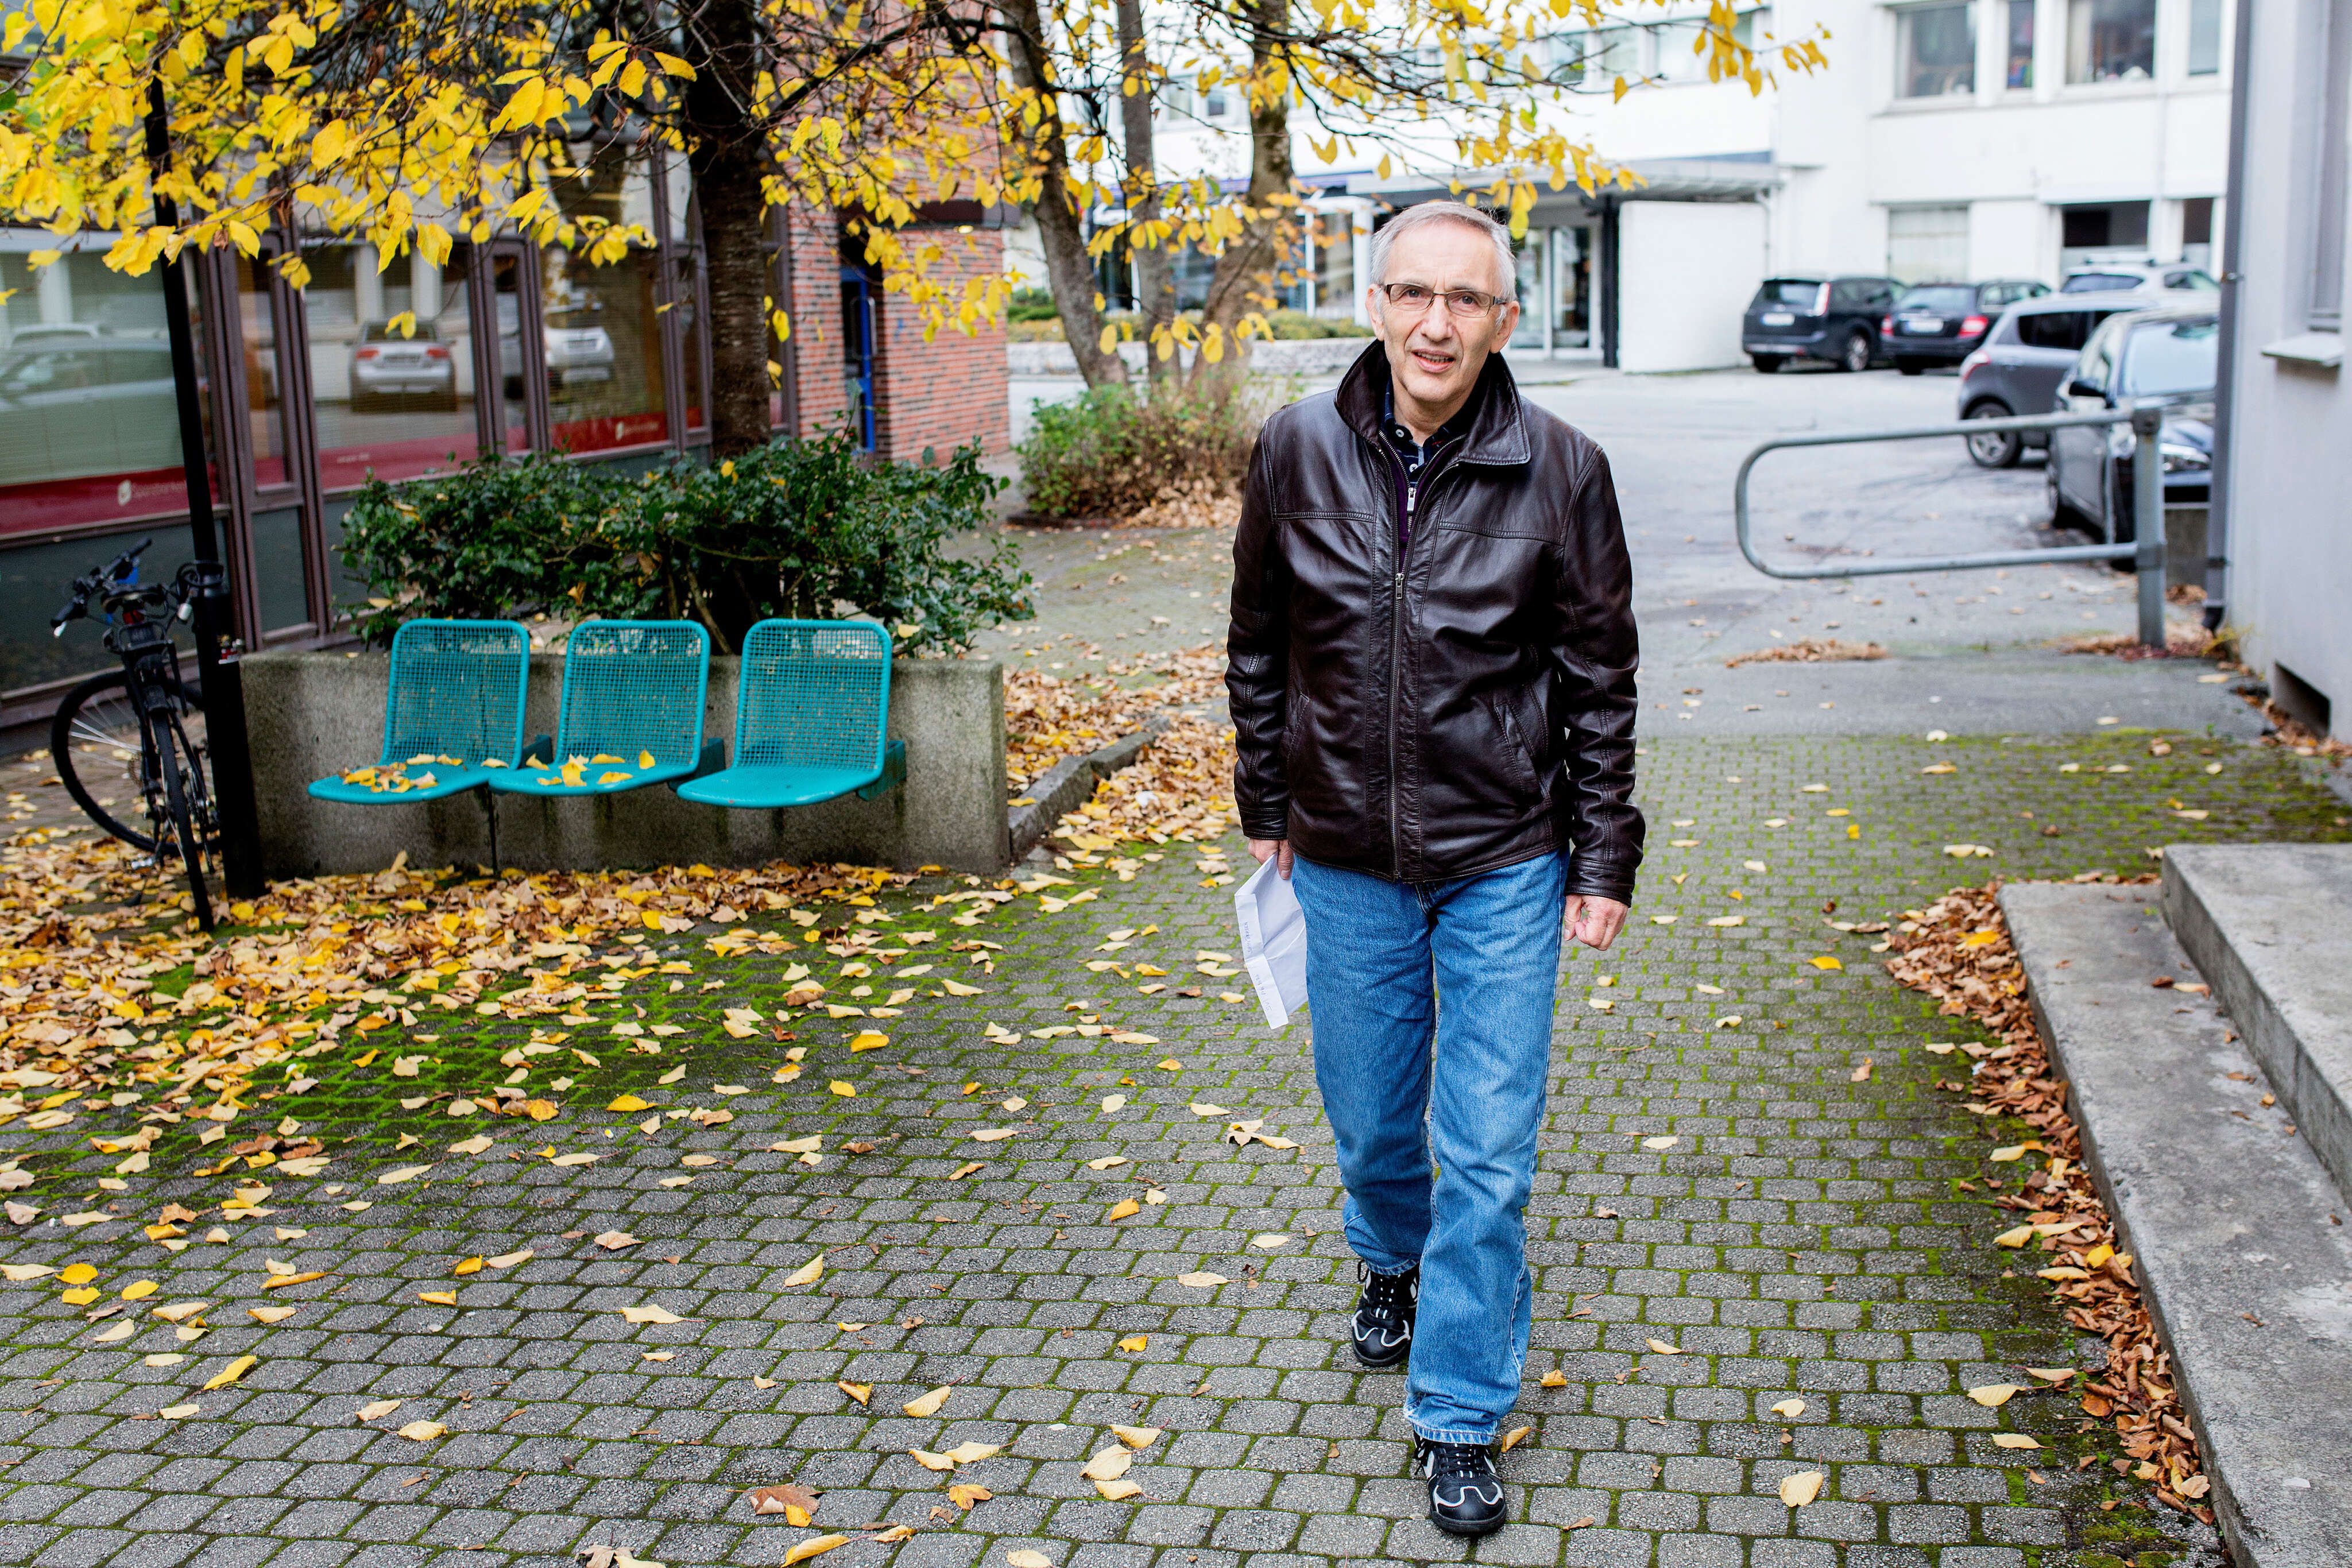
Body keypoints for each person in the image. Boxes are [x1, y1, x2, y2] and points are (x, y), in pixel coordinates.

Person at [1225, 199, 1643, 1537]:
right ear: (1373, 303)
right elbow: (1256, 639)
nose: (1433, 322)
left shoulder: (1561, 468)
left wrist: (1602, 852)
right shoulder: (1293, 447)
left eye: (1463, 299)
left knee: (1489, 1148)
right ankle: (1387, 1253)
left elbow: (1599, 679)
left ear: (1503, 321)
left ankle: (1457, 1408)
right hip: (1343, 852)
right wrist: (1264, 797)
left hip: (1502, 854)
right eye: (1411, 292)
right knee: (1368, 1116)